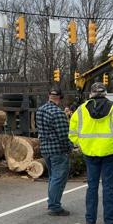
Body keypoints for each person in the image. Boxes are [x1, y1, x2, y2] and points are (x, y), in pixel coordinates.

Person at [69, 82, 113, 224]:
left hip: (89, 153)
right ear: (105, 93)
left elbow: (72, 132)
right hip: (109, 152)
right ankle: (111, 222)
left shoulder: (81, 109)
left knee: (92, 187)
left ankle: (90, 221)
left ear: (91, 94)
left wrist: (81, 145)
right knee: (108, 187)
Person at [35, 86, 72, 216]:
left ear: (48, 96)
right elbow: (63, 135)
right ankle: (55, 206)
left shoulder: (40, 110)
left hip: (45, 149)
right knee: (58, 178)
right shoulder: (58, 113)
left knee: (52, 177)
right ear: (60, 98)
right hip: (58, 150)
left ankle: (52, 201)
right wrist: (69, 147)